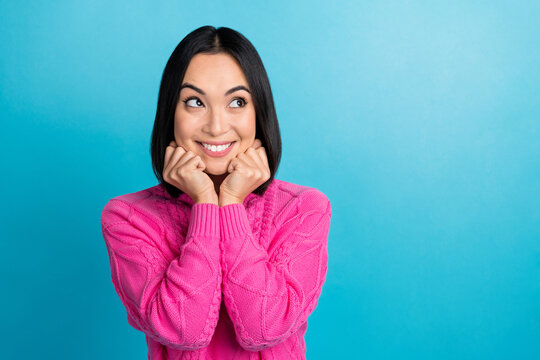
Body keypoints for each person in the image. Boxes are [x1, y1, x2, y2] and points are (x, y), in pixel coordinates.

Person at [100, 25, 332, 360]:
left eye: (237, 102)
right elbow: (183, 330)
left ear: (259, 113)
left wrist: (232, 205)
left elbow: (265, 329)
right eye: (195, 102)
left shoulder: (304, 209)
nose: (216, 126)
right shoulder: (128, 217)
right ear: (171, 112)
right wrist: (207, 204)